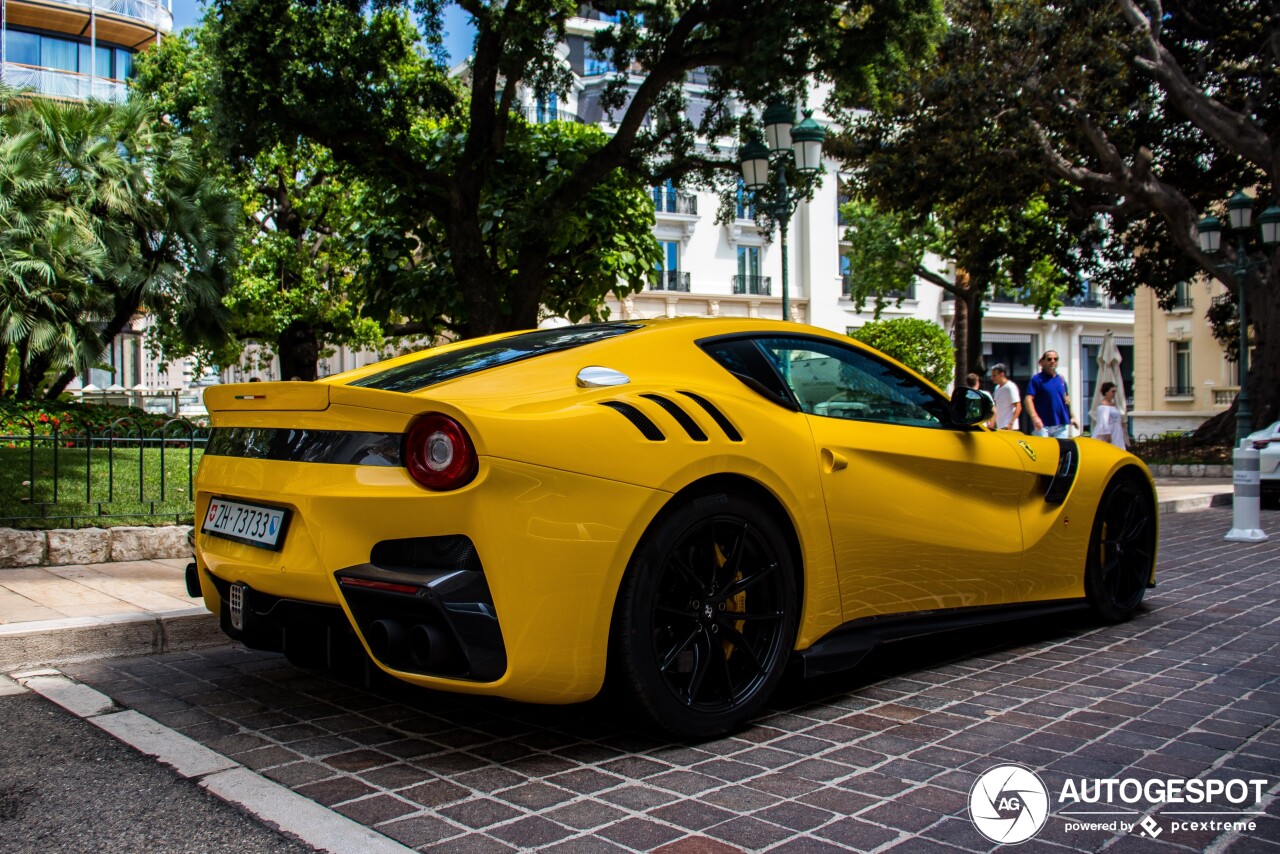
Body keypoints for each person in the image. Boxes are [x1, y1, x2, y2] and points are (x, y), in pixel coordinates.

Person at [1024, 350, 1078, 438]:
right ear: (1043, 362)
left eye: (1055, 359)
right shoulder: (1037, 379)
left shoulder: (1061, 379)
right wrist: (1035, 417)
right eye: (1049, 359)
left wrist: (1072, 417)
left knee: (1060, 451)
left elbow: (1066, 400)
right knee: (1044, 451)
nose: (1053, 361)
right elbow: (1028, 399)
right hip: (1042, 425)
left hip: (1061, 425)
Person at [1090, 382, 1127, 449]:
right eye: (1112, 391)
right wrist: (1108, 435)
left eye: (1115, 392)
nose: (1114, 394)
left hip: (1116, 432)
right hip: (1109, 432)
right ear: (1106, 392)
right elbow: (1103, 422)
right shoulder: (1102, 407)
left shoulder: (1113, 405)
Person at [989, 363, 1022, 431]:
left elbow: (1018, 406)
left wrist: (1011, 424)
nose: (992, 378)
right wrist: (992, 423)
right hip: (1000, 427)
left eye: (994, 375)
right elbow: (995, 407)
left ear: (1002, 374)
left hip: (1009, 427)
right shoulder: (997, 388)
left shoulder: (1010, 387)